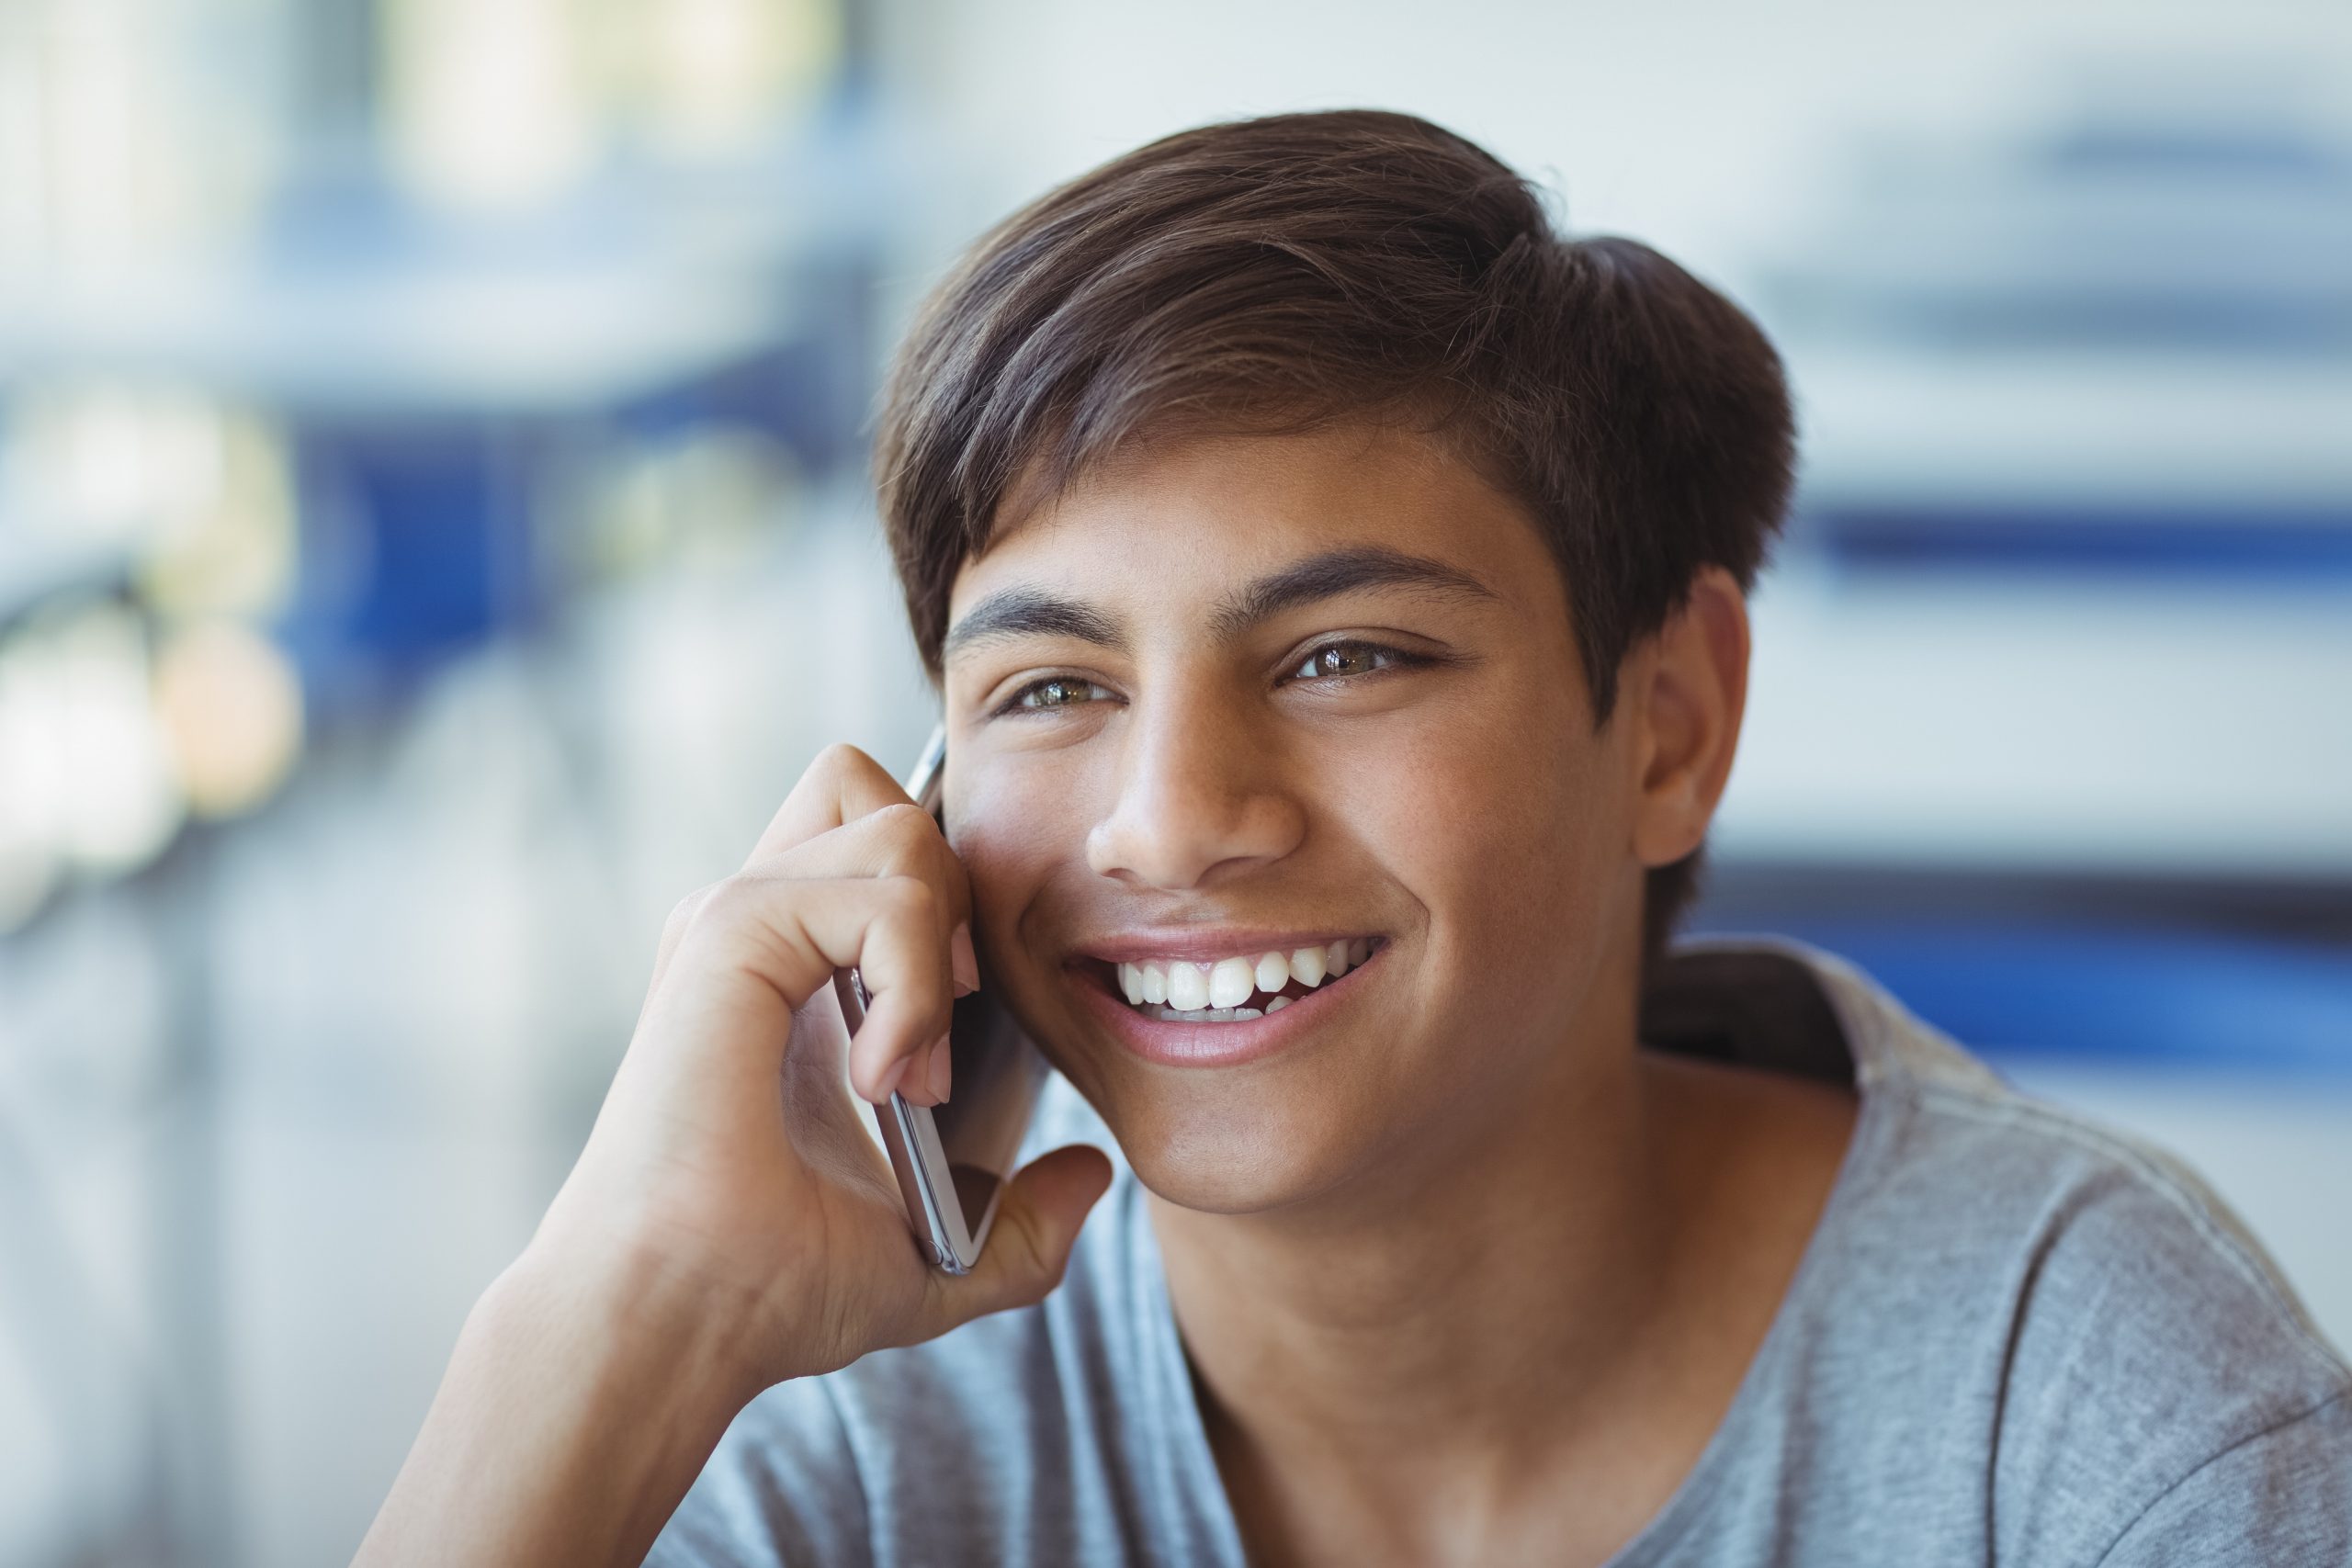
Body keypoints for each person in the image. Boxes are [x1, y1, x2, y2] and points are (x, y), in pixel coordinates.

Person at [355, 110, 2352, 1568]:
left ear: (1666, 722)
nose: (1169, 820)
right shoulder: (845, 1405)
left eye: (1344, 653)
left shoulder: (2089, 1408)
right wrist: (612, 1315)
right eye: (1048, 685)